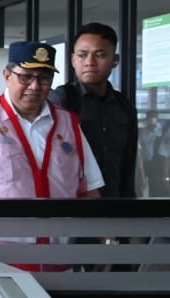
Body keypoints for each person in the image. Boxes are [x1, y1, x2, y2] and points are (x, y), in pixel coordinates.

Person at [0, 40, 104, 201]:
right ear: (7, 75)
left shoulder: (68, 122)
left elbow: (90, 190)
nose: (35, 86)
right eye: (25, 77)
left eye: (44, 78)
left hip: (59, 225)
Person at [48, 23, 138, 197]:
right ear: (73, 60)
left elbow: (128, 164)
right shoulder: (62, 99)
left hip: (114, 204)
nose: (89, 62)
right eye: (82, 55)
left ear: (115, 60)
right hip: (73, 207)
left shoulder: (123, 106)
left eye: (100, 55)